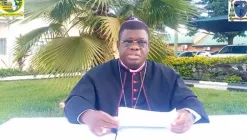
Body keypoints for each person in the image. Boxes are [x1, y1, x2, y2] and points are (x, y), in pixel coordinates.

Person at [64, 17, 210, 136]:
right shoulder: (97, 74)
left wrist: (188, 115)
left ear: (148, 46)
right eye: (128, 42)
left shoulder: (167, 75)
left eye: (141, 42)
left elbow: (189, 100)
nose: (134, 47)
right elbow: (75, 101)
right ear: (118, 45)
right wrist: (88, 116)